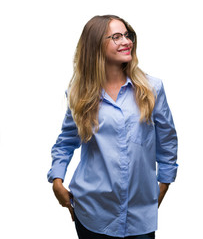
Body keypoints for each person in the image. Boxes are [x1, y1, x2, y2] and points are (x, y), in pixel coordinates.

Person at [47, 15, 178, 239]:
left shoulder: (152, 89)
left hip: (140, 215)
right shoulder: (80, 94)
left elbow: (167, 142)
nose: (126, 41)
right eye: (116, 37)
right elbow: (67, 140)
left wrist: (163, 185)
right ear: (96, 44)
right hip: (92, 212)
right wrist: (57, 180)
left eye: (127, 35)